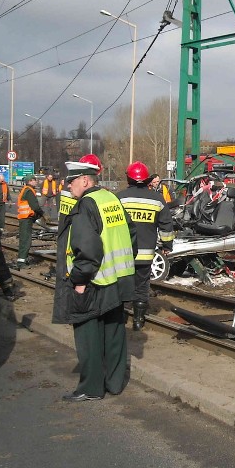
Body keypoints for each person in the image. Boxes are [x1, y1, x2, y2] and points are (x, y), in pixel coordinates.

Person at [53, 158, 137, 402]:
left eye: (71, 182)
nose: (69, 187)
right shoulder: (111, 200)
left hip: (94, 281)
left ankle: (90, 388)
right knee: (114, 332)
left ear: (84, 180)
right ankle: (115, 382)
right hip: (118, 279)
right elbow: (130, 236)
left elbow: (87, 248)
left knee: (87, 333)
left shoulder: (85, 205)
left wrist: (79, 279)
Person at [117, 161, 174, 330]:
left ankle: (119, 319)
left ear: (129, 178)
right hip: (145, 254)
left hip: (122, 253)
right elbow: (166, 225)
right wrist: (167, 244)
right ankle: (138, 320)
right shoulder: (157, 199)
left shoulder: (120, 198)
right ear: (147, 180)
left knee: (121, 285)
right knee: (142, 287)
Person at [14, 176, 44, 269]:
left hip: (25, 218)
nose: (36, 182)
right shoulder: (29, 191)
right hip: (26, 218)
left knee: (25, 239)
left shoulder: (26, 189)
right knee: (26, 240)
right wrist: (42, 214)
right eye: (35, 180)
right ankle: (21, 262)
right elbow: (35, 206)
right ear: (30, 181)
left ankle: (22, 259)